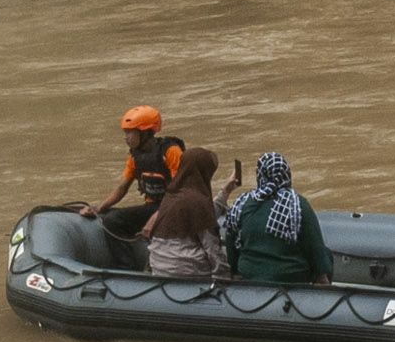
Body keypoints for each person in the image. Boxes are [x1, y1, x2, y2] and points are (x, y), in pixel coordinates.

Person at [220, 151, 331, 285]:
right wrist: (322, 278)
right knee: (327, 255)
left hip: (249, 275)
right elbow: (315, 246)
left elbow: (231, 243)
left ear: (260, 174)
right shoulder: (297, 204)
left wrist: (235, 273)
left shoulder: (242, 203)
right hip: (290, 277)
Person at [81, 107, 190, 233]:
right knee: (108, 214)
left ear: (145, 133)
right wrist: (99, 208)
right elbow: (122, 188)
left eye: (129, 132)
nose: (125, 137)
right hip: (152, 206)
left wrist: (156, 217)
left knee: (113, 219)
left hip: (174, 206)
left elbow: (181, 191)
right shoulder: (135, 156)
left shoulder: (170, 151)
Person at [140, 147, 221, 279]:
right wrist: (224, 279)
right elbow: (212, 248)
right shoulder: (198, 200)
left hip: (159, 267)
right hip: (187, 271)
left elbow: (200, 216)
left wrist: (225, 193)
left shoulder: (170, 195)